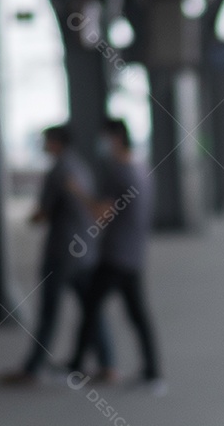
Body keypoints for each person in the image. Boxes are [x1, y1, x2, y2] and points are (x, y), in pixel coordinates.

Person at [0, 124, 114, 386]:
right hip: (85, 251)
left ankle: (33, 368)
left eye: (46, 141)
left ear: (57, 143)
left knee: (49, 313)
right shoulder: (81, 167)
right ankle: (108, 364)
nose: (43, 145)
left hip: (61, 253)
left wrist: (31, 219)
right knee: (91, 308)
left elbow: (43, 213)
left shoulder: (58, 171)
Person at [66, 118, 165, 396]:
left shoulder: (118, 173)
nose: (102, 144)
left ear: (117, 138)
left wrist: (78, 193)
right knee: (133, 314)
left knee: (92, 308)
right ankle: (152, 373)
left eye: (105, 138)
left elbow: (101, 214)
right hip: (133, 253)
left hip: (115, 255)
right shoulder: (142, 169)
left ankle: (76, 367)